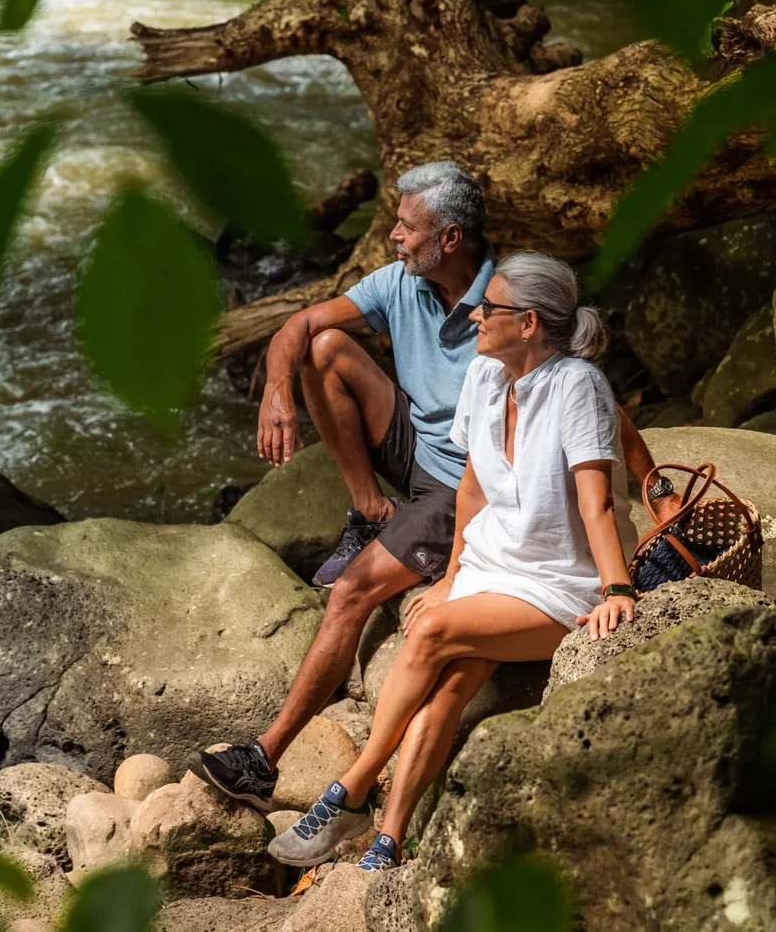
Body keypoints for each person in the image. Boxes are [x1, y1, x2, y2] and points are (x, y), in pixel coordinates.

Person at [190, 163, 679, 812]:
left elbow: (593, 403)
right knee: (326, 347)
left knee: (353, 590)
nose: (392, 235)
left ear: (449, 239)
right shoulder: (401, 282)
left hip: (460, 489)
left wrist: (653, 482)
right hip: (414, 446)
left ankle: (265, 755)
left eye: (406, 226)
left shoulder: (508, 304)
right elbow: (298, 328)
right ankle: (370, 506)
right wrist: (277, 389)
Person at [265, 251, 642, 871]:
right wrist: (450, 574)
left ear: (526, 324)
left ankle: (352, 787)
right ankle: (389, 836)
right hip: (495, 564)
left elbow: (597, 506)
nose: (472, 312)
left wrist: (618, 590)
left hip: (561, 583)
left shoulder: (578, 386)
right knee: (449, 689)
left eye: (486, 306)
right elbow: (470, 487)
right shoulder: (486, 376)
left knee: (434, 633)